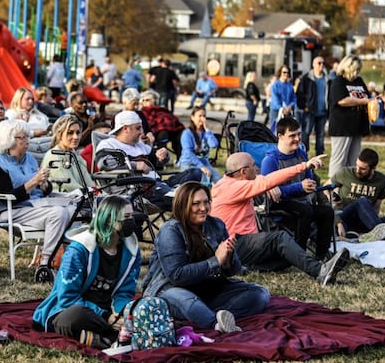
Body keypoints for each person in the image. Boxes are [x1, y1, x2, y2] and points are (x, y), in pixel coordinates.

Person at [142, 182, 270, 333]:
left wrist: (228, 257)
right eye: (196, 204)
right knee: (186, 300)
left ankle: (204, 314)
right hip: (171, 289)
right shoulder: (170, 230)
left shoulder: (216, 224)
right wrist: (216, 261)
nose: (203, 208)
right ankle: (215, 324)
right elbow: (177, 275)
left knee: (260, 294)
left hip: (207, 288)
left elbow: (233, 270)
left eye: (206, 202)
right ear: (182, 205)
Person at [211, 152, 349, 285]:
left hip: (239, 245)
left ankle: (246, 267)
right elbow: (267, 180)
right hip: (233, 244)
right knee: (279, 238)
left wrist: (268, 185)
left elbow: (263, 180)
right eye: (253, 165)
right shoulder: (233, 187)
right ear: (243, 172)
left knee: (290, 255)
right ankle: (320, 271)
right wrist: (304, 166)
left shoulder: (229, 183)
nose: (257, 168)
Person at [32, 196, 140, 349]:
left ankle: (99, 337)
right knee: (75, 316)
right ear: (109, 219)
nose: (131, 221)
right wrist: (107, 317)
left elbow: (124, 293)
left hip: (107, 311)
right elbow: (67, 298)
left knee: (139, 311)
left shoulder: (132, 251)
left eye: (132, 216)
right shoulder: (78, 250)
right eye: (126, 217)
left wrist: (123, 314)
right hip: (71, 310)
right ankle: (113, 336)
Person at [0, 120, 72, 278]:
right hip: (9, 210)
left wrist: (44, 185)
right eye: (22, 137)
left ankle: (70, 261)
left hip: (35, 206)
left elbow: (44, 189)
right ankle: (46, 263)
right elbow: (7, 197)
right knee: (58, 213)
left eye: (27, 136)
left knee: (75, 208)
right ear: (9, 140)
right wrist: (34, 182)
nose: (27, 141)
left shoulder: (29, 158)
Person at [260, 117, 335, 260]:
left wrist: (310, 184)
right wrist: (300, 187)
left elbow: (308, 180)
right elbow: (273, 194)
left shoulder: (301, 154)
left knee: (327, 211)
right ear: (280, 136)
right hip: (280, 204)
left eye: (299, 134)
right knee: (305, 211)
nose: (297, 139)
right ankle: (299, 255)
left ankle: (321, 255)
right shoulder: (270, 161)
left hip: (302, 201)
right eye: (292, 135)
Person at [95, 111, 202, 211]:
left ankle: (174, 193)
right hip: (138, 192)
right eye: (138, 128)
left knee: (195, 173)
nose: (141, 132)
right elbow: (104, 164)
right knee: (186, 198)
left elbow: (155, 161)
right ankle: (176, 195)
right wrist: (135, 165)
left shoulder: (139, 145)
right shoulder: (108, 144)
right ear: (125, 129)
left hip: (156, 184)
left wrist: (163, 156)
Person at [328, 148, 385, 242]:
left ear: (373, 169)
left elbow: (376, 207)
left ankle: (371, 233)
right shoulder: (345, 173)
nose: (358, 170)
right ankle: (379, 233)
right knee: (362, 200)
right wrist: (337, 219)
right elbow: (325, 188)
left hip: (364, 220)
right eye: (357, 165)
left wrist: (371, 220)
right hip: (345, 217)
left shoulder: (382, 181)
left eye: (363, 169)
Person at [326, 54, 370, 177]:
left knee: (354, 159)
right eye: (355, 69)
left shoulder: (359, 81)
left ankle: (349, 183)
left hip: (357, 127)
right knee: (339, 159)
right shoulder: (338, 81)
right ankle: (334, 183)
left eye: (358, 70)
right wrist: (363, 101)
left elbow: (367, 96)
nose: (356, 73)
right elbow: (342, 100)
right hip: (342, 127)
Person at [41, 115, 93, 192]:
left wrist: (100, 194)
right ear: (59, 135)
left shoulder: (76, 156)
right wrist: (90, 193)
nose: (76, 137)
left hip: (80, 196)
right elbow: (70, 186)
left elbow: (89, 183)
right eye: (70, 133)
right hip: (61, 197)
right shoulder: (53, 156)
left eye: (78, 132)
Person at [178, 107, 221, 184]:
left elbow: (214, 144)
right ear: (192, 117)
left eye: (204, 116)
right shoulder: (187, 133)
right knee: (203, 180)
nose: (202, 118)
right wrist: (201, 167)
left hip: (204, 163)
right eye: (200, 116)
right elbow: (189, 153)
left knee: (219, 180)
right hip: (189, 163)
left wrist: (207, 130)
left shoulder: (206, 133)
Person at [295, 57, 328, 156]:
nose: (321, 65)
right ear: (313, 64)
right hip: (310, 111)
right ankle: (304, 154)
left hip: (323, 112)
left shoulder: (327, 79)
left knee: (320, 135)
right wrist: (304, 106)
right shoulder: (306, 79)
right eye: (319, 63)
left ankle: (319, 155)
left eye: (323, 63)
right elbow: (299, 94)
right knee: (306, 133)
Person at [140, 89, 183, 155]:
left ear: (155, 100)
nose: (145, 102)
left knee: (181, 131)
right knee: (163, 132)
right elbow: (147, 124)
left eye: (147, 100)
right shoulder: (142, 112)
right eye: (143, 100)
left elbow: (172, 120)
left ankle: (180, 156)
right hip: (153, 132)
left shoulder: (162, 110)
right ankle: (161, 155)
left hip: (170, 130)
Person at [268, 65, 295, 130]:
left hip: (287, 111)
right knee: (274, 130)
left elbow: (294, 98)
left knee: (286, 130)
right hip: (276, 110)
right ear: (280, 73)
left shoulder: (290, 85)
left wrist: (290, 106)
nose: (286, 74)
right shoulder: (275, 85)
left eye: (288, 72)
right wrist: (281, 109)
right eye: (284, 72)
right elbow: (275, 99)